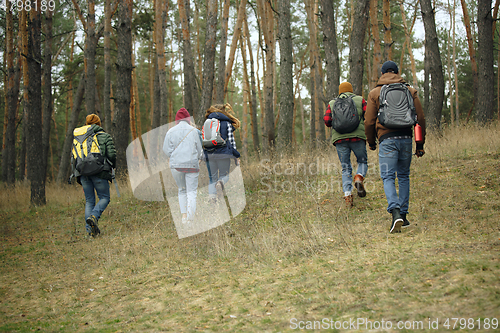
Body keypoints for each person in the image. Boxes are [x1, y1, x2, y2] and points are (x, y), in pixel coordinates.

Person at [365, 60, 426, 233]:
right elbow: (420, 118)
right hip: (406, 137)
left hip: (387, 139)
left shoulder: (375, 93)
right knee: (404, 176)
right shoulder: (410, 90)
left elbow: (369, 121)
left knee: (388, 177)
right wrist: (419, 144)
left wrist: (371, 142)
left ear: (382, 74)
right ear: (397, 72)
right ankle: (404, 215)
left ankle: (395, 212)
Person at [324, 82, 368, 207]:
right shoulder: (360, 100)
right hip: (357, 137)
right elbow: (369, 116)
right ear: (351, 90)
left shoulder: (332, 103)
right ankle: (359, 177)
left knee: (346, 167)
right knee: (362, 161)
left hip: (340, 140)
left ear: (340, 91)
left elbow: (327, 121)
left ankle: (348, 195)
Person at [72, 114, 116, 238]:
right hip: (99, 172)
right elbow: (112, 154)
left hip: (83, 173)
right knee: (104, 198)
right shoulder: (104, 136)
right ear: (99, 123)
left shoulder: (79, 138)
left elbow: (74, 158)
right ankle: (94, 217)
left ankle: (90, 232)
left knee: (89, 201)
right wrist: (113, 166)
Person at [163, 108, 203, 224]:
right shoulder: (194, 131)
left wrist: (175, 156)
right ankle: (191, 220)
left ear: (177, 120)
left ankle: (184, 217)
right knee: (191, 192)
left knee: (181, 190)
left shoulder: (170, 131)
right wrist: (199, 159)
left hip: (176, 166)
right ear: (188, 119)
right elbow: (200, 150)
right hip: (192, 165)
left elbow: (166, 150)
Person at [203, 103, 241, 202]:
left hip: (210, 153)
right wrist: (236, 156)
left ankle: (212, 197)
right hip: (223, 153)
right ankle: (220, 183)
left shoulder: (207, 122)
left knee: (212, 178)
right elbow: (231, 141)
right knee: (224, 175)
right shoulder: (226, 123)